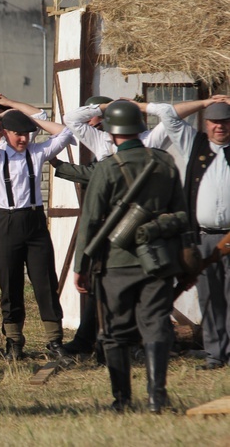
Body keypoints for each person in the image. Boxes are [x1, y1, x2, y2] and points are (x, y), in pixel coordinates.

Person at [74, 100, 188, 413]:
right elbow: (182, 214)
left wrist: (80, 267)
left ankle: (121, 400)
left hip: (116, 264)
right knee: (156, 327)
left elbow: (90, 221)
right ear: (139, 128)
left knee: (115, 332)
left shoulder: (107, 169)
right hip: (159, 261)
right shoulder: (165, 163)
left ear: (110, 132)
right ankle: (156, 399)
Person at [0, 109, 75, 360]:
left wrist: (31, 120)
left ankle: (54, 340)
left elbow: (66, 132)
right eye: (17, 134)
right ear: (6, 133)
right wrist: (2, 115)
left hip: (34, 222)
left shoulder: (37, 152)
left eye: (27, 134)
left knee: (45, 282)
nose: (23, 139)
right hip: (6, 222)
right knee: (10, 284)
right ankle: (14, 343)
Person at [151, 98, 230, 370]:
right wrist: (207, 101)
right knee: (209, 296)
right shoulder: (194, 144)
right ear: (206, 123)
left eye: (225, 121)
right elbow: (167, 113)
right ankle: (215, 354)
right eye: (215, 121)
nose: (220, 127)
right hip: (204, 237)